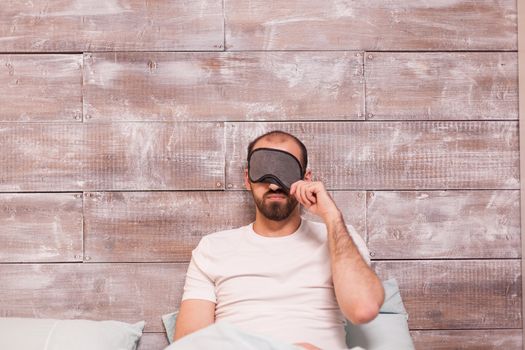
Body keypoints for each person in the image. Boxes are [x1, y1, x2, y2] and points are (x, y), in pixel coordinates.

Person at [174, 130, 385, 349]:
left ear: (306, 179)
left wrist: (331, 216)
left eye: (284, 171)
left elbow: (364, 309)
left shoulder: (339, 238)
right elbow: (190, 343)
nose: (274, 185)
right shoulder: (213, 248)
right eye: (263, 171)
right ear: (248, 179)